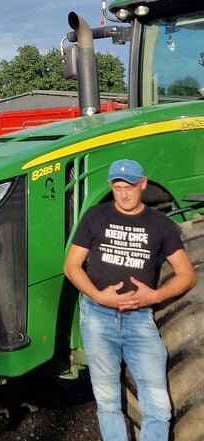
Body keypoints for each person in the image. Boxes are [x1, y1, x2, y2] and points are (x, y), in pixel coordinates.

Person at [63, 159, 196, 441]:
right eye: (118, 187)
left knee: (158, 407)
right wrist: (100, 296)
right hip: (98, 317)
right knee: (108, 403)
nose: (123, 194)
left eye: (130, 187)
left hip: (139, 320)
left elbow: (186, 275)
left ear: (143, 184)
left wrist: (156, 295)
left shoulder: (160, 224)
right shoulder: (95, 217)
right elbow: (71, 266)